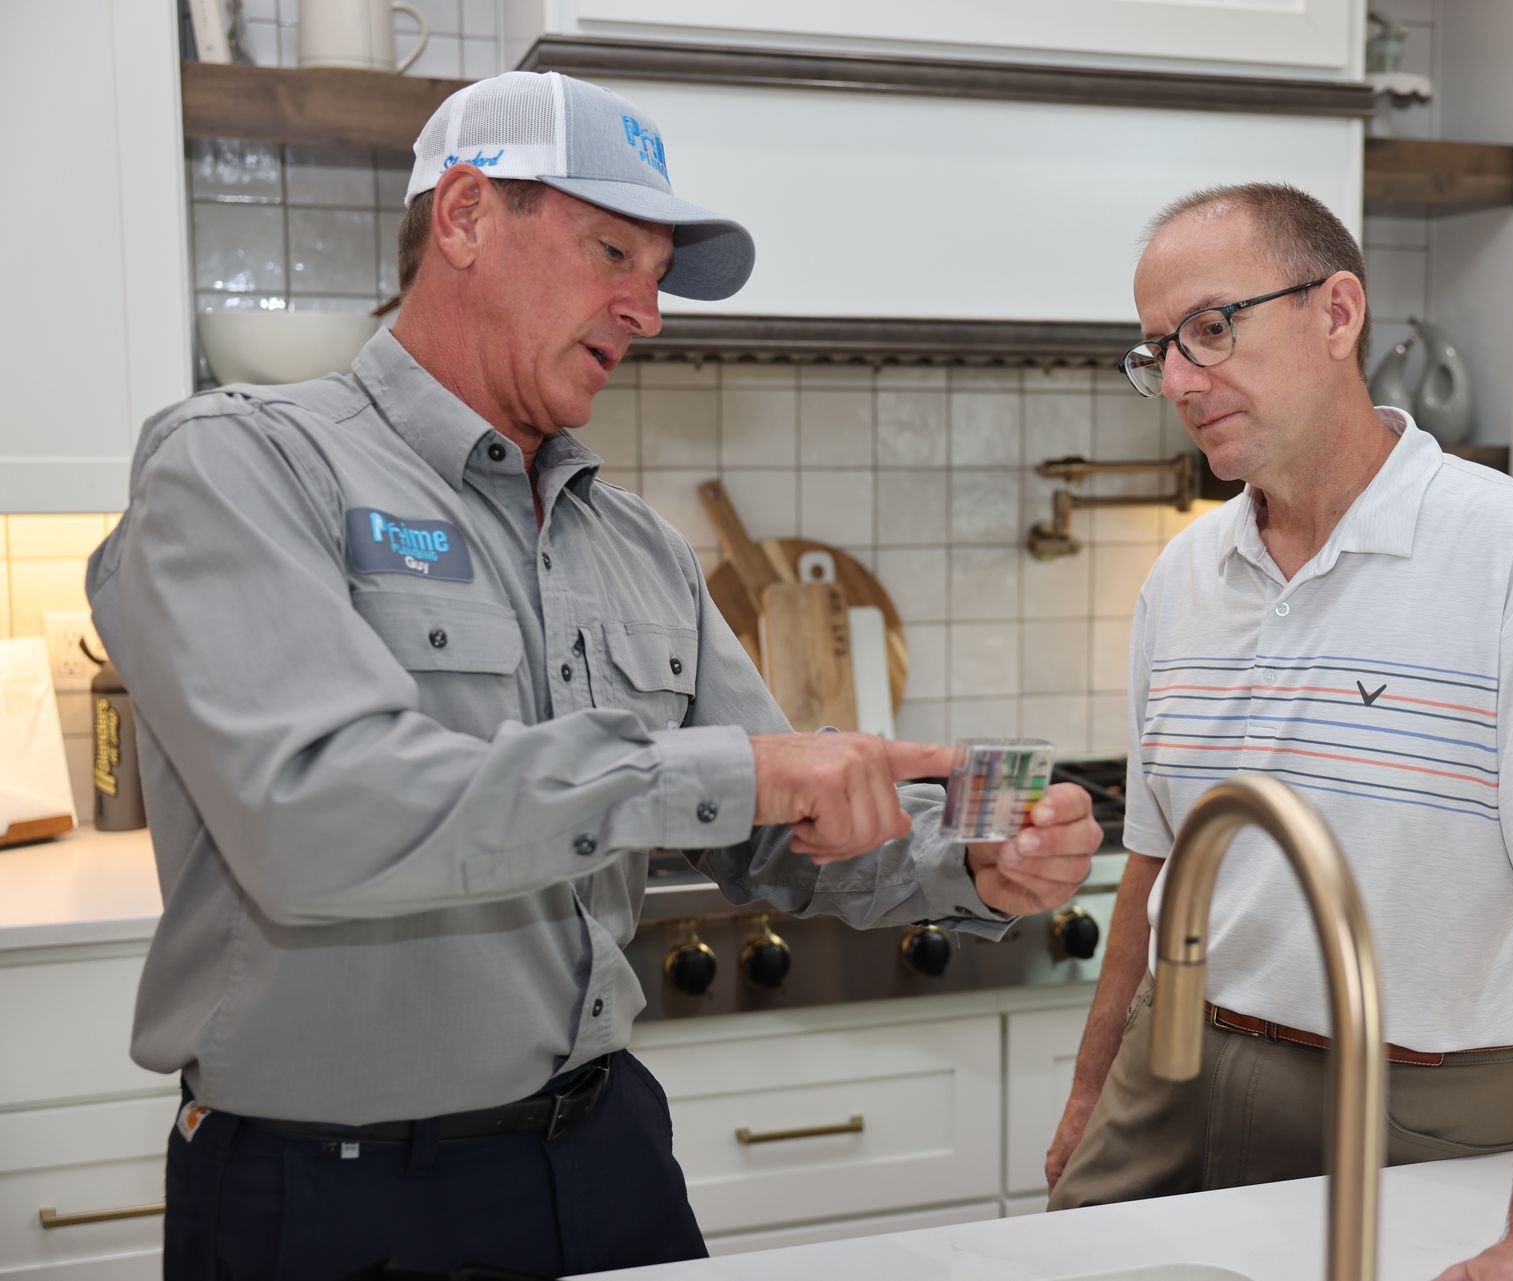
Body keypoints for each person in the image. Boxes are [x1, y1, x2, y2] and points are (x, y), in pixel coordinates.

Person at [85, 71, 1099, 1281]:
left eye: (658, 272)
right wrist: (745, 770)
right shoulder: (243, 467)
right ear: (462, 217)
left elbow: (776, 840)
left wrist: (967, 863)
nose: (647, 309)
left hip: (606, 1160)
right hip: (329, 1194)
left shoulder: (638, 548)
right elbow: (321, 813)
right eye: (611, 251)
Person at [1044, 183, 1513, 1281]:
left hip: (1420, 1097)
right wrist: (1095, 1092)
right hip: (1177, 1062)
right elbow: (1156, 868)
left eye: (1211, 327)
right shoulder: (1181, 576)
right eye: (1160, 349)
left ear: (1337, 313)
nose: (1183, 381)